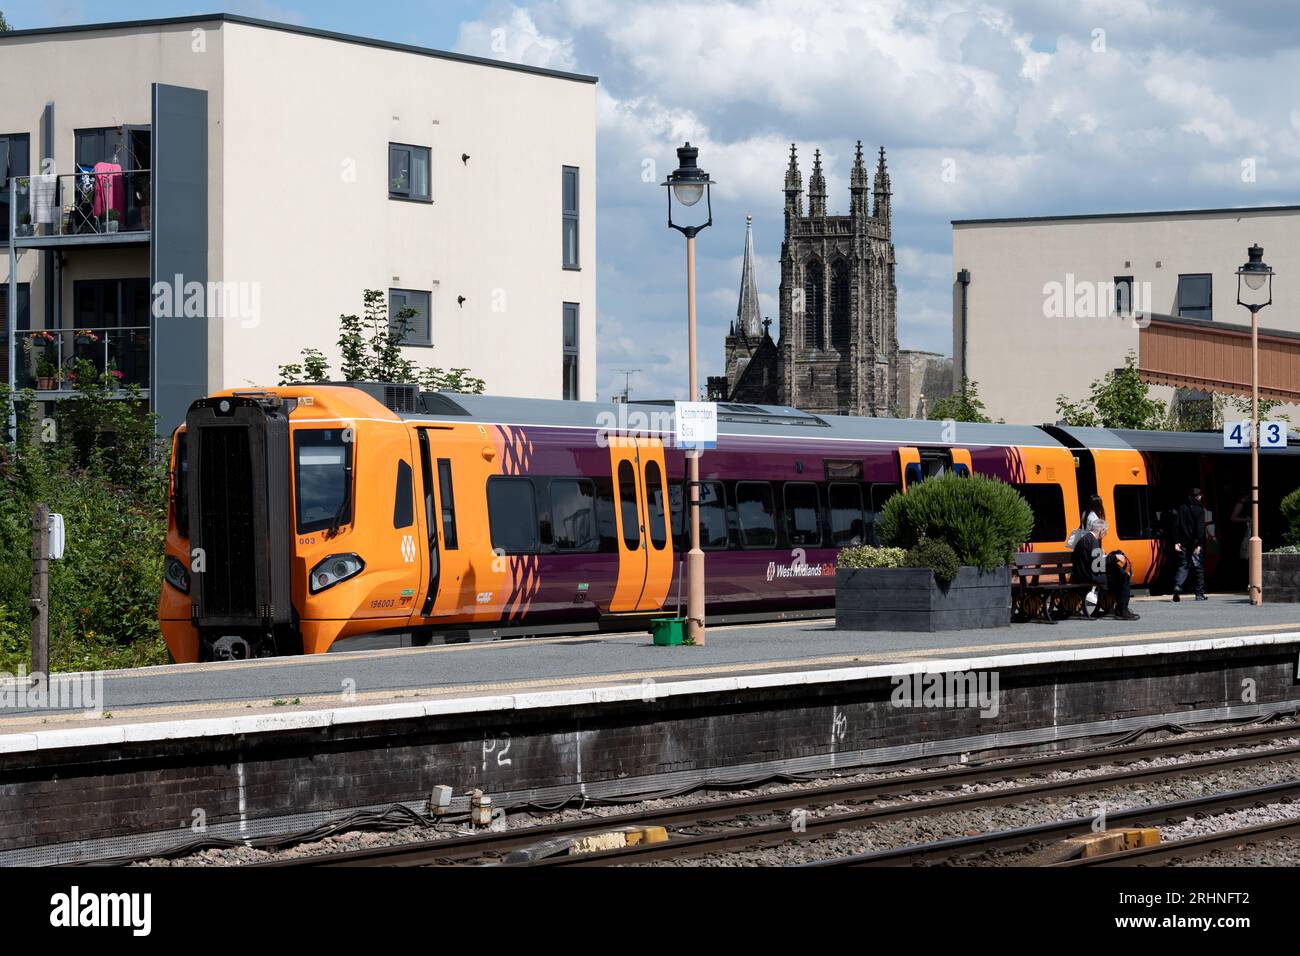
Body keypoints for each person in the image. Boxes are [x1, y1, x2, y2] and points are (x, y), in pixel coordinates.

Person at [1072, 518, 1139, 621]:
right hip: (1088, 576)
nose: (1105, 534)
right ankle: (1122, 610)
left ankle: (1120, 607)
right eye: (1105, 532)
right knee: (1123, 578)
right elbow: (1097, 565)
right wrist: (1114, 557)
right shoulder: (1092, 541)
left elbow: (1094, 561)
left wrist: (1105, 556)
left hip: (1083, 573)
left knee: (1118, 575)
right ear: (1101, 530)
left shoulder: (1087, 539)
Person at [1171, 487, 1208, 602]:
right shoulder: (1199, 509)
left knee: (1184, 565)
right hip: (1194, 543)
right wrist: (1198, 544)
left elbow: (1176, 525)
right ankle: (1199, 594)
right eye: (1200, 496)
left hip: (1183, 543)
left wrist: (1176, 541)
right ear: (1198, 497)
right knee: (1198, 567)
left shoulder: (1182, 508)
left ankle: (1178, 586)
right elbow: (1200, 529)